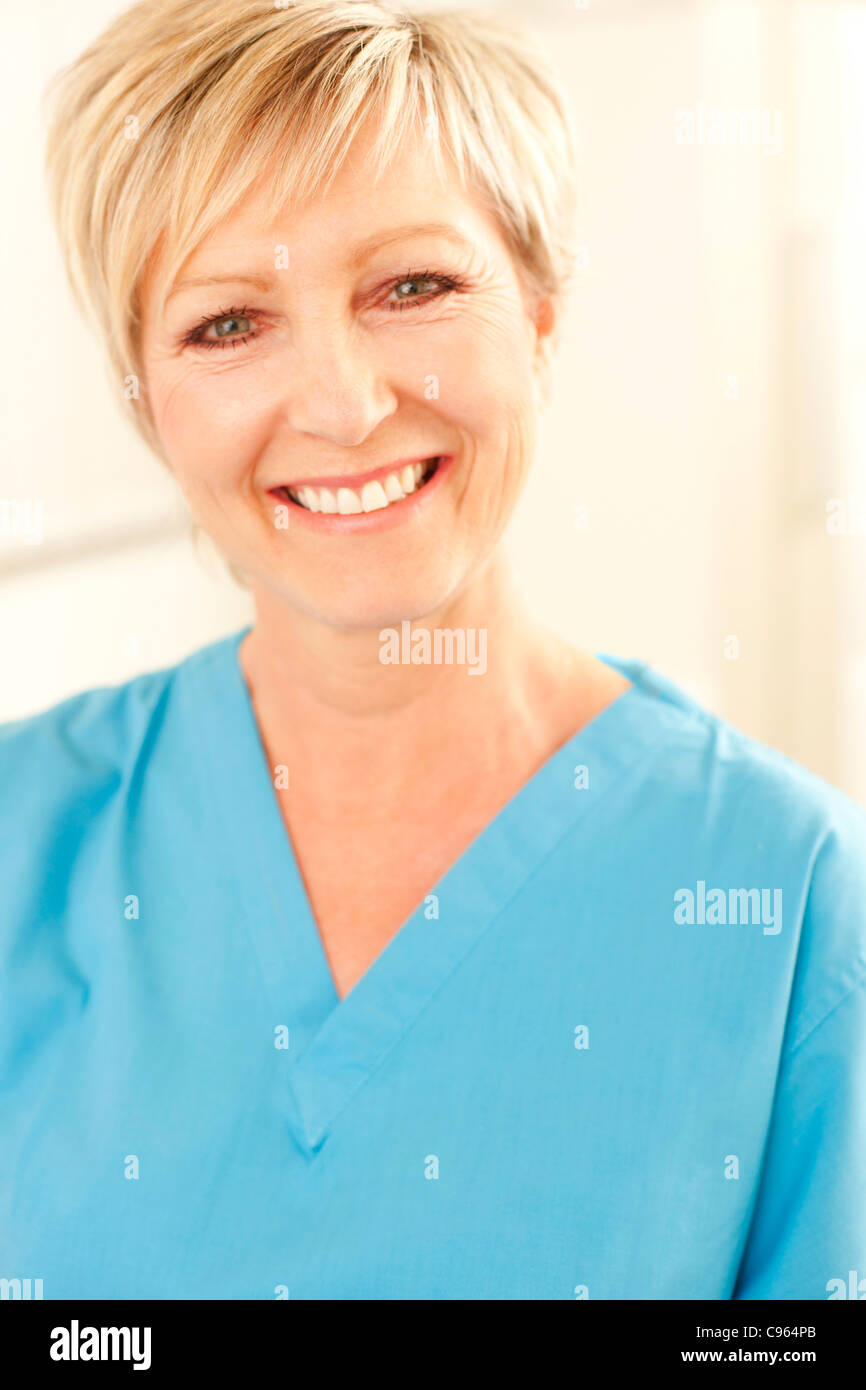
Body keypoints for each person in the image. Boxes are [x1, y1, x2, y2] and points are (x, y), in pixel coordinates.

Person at [1, 0, 864, 1300]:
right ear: (144, 398)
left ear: (540, 318)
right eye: (227, 323)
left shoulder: (788, 899)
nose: (343, 404)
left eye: (413, 286)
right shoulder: (24, 834)